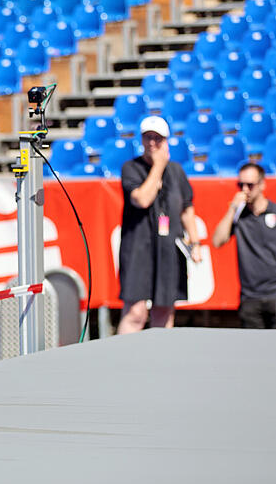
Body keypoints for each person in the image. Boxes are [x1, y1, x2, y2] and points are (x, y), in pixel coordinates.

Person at [117, 115, 202, 334]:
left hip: (168, 248)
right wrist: (158, 166)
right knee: (135, 312)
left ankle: (161, 361)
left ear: (166, 140)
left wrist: (195, 242)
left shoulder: (176, 171)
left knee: (164, 309)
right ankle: (123, 361)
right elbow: (142, 199)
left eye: (158, 138)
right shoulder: (131, 167)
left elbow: (186, 208)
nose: (152, 143)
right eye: (148, 137)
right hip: (138, 248)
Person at [211, 163, 276, 328]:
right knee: (253, 351)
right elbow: (217, 241)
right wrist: (233, 208)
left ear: (262, 185)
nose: (245, 189)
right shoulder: (239, 216)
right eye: (241, 185)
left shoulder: (274, 212)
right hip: (250, 298)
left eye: (250, 185)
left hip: (274, 294)